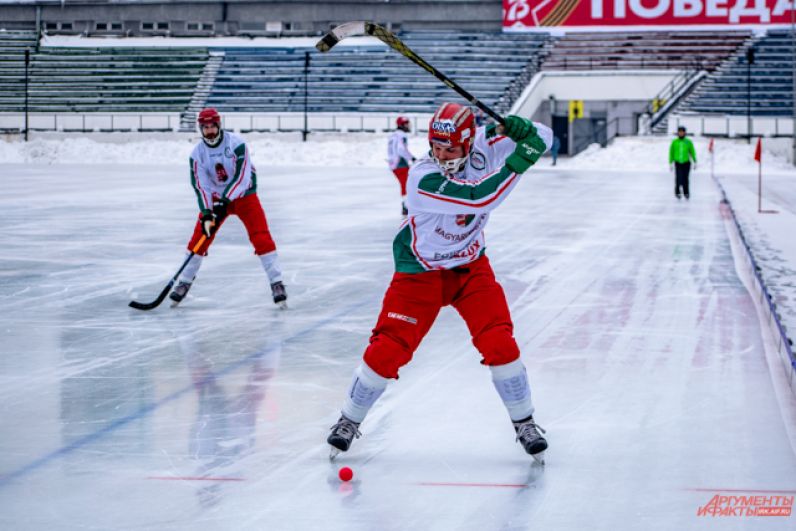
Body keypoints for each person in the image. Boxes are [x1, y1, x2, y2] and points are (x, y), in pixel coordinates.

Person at [327, 102, 553, 463]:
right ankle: (348, 420)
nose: (442, 154)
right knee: (388, 348)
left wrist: (522, 128)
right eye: (436, 146)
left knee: (499, 341)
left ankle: (525, 423)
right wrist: (519, 163)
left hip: (470, 267)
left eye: (450, 148)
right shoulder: (422, 176)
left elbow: (545, 136)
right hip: (420, 272)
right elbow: (481, 198)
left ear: (467, 141)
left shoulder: (484, 145)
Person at [169, 108, 288, 308]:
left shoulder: (236, 144)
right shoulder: (197, 154)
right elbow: (201, 186)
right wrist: (207, 213)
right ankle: (184, 282)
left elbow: (243, 177)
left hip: (244, 196)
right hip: (217, 201)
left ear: (219, 125)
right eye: (205, 128)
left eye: (212, 126)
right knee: (200, 238)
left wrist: (226, 200)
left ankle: (277, 283)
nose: (209, 131)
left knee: (260, 236)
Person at [387, 116, 416, 216]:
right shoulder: (402, 135)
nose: (409, 126)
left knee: (406, 184)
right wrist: (412, 158)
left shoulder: (393, 135)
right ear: (402, 125)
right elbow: (401, 149)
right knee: (408, 185)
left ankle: (406, 206)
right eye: (407, 124)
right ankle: (406, 206)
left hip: (394, 164)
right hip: (400, 164)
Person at [669, 126, 697, 200]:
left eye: (682, 132)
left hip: (686, 162)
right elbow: (671, 152)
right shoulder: (675, 142)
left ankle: (686, 192)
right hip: (678, 162)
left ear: (685, 133)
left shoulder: (688, 142)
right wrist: (670, 162)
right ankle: (677, 192)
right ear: (678, 133)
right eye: (679, 132)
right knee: (678, 178)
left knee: (685, 178)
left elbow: (692, 151)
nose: (681, 133)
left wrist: (694, 160)